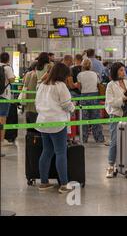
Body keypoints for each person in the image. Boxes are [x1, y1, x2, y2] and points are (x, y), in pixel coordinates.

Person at [35, 63, 75, 193]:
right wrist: (73, 109)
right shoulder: (60, 86)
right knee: (60, 152)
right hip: (57, 122)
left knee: (46, 151)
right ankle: (64, 184)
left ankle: (44, 182)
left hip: (43, 121)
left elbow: (37, 104)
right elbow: (66, 104)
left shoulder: (42, 85)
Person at [105, 62, 127, 178]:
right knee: (114, 141)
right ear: (115, 72)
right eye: (120, 70)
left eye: (123, 70)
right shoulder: (110, 85)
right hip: (116, 115)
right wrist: (125, 98)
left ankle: (124, 164)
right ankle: (110, 166)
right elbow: (111, 102)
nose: (123, 72)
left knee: (126, 141)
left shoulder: (126, 82)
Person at [77, 59, 105, 143]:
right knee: (96, 118)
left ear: (82, 66)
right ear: (90, 66)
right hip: (94, 96)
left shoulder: (80, 75)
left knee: (84, 118)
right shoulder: (95, 74)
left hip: (84, 96)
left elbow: (79, 87)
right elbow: (98, 83)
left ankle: (84, 138)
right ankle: (99, 138)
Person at [0, 52, 16, 151]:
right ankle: (1, 141)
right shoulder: (7, 68)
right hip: (4, 95)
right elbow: (12, 80)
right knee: (2, 119)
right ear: (8, 59)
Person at [22, 62, 38, 128]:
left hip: (26, 97)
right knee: (35, 121)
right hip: (34, 100)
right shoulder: (37, 75)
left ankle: (29, 136)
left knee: (28, 118)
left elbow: (23, 82)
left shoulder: (28, 74)